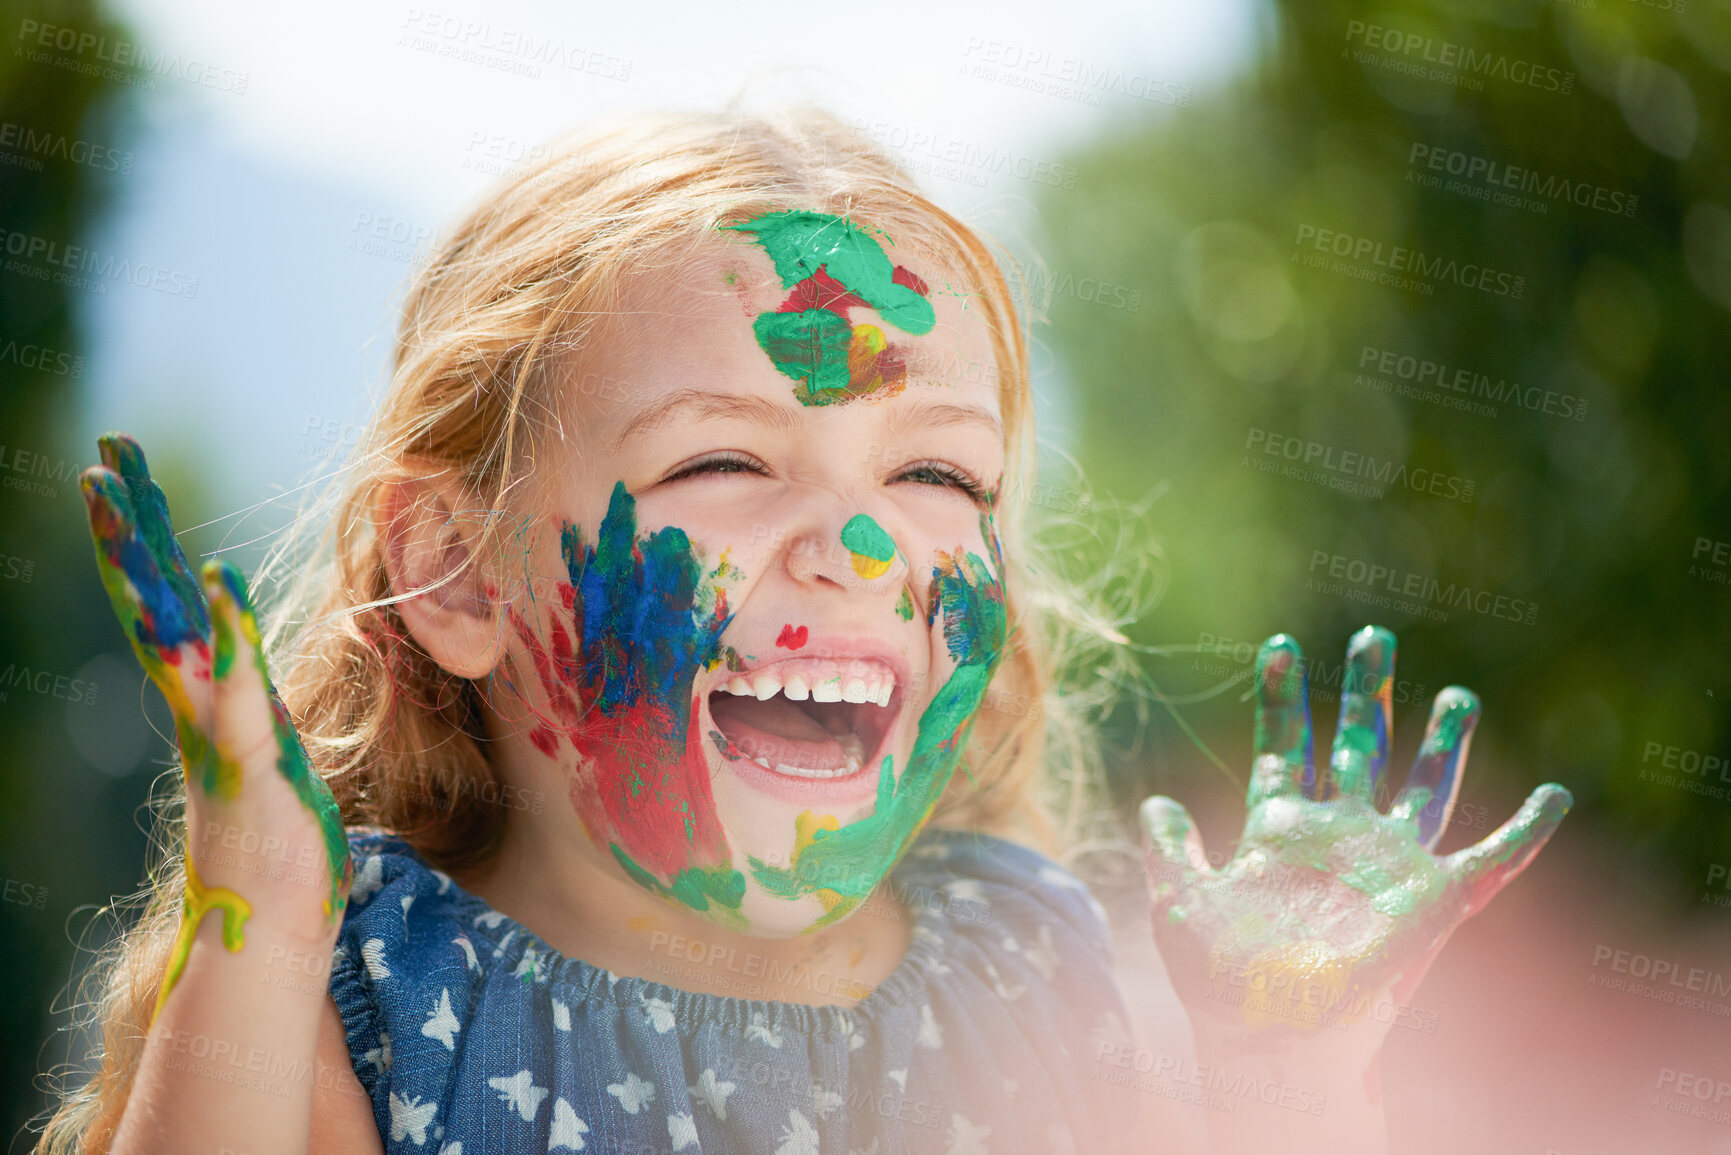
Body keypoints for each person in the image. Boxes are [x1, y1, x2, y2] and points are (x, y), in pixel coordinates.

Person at [36, 107, 1570, 1155]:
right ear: (456, 572)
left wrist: (1285, 1070)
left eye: (935, 475)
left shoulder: (1022, 965)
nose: (854, 546)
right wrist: (254, 908)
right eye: (721, 461)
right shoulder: (366, 989)